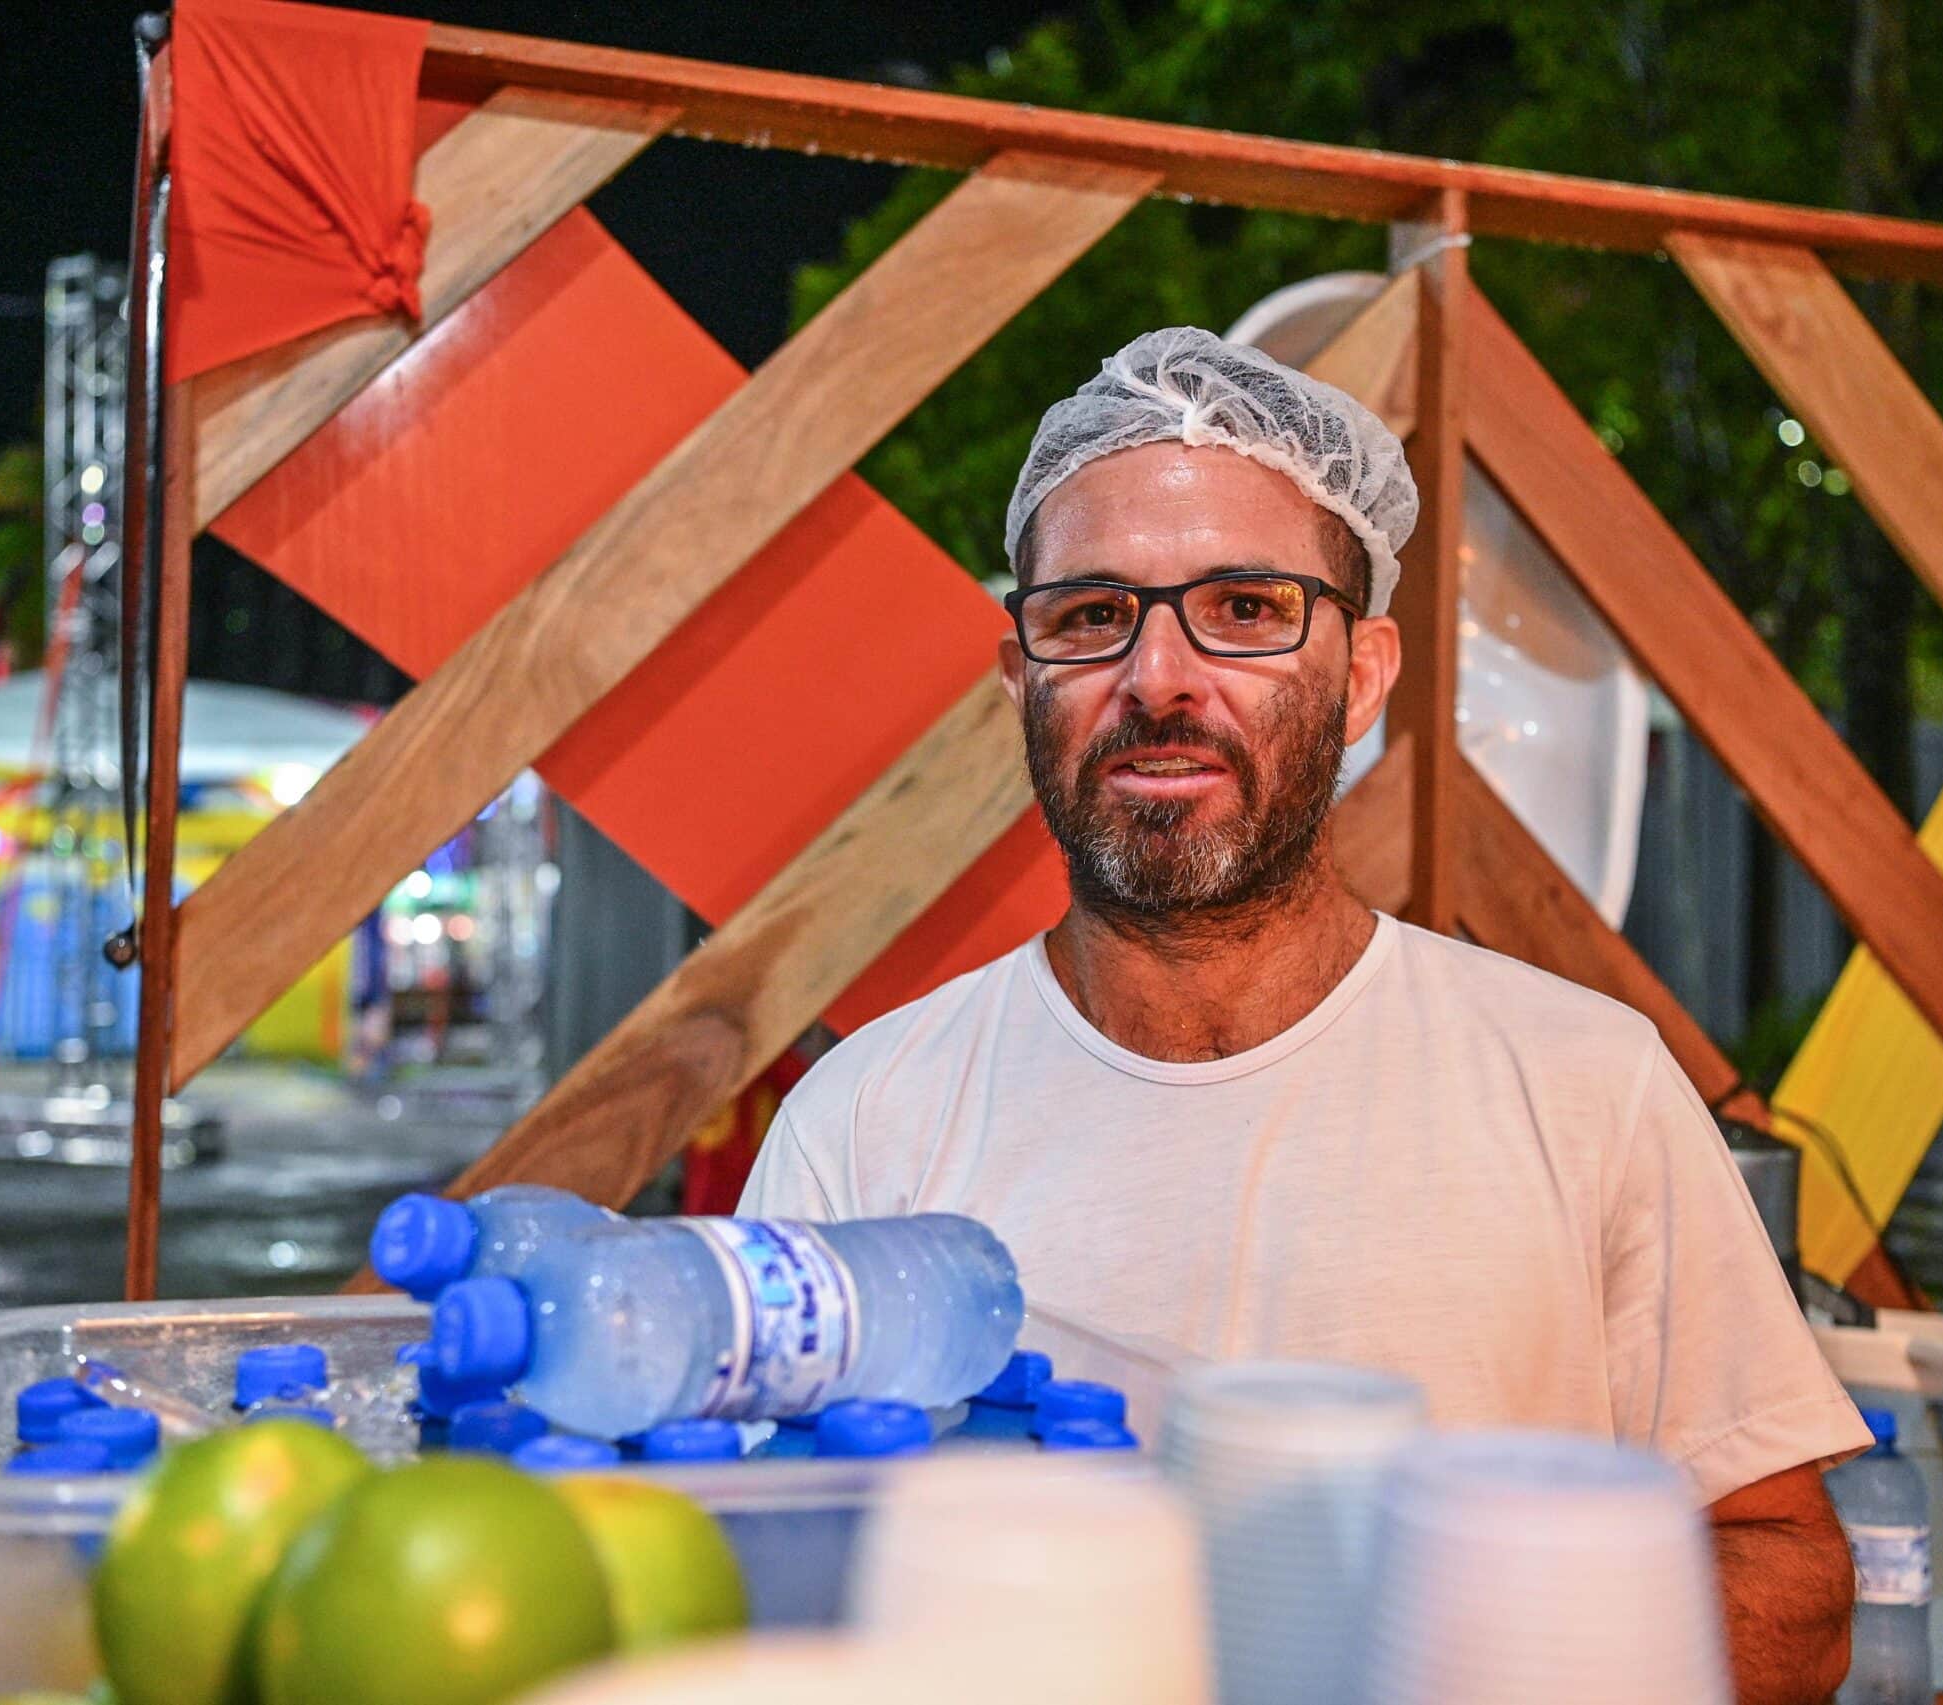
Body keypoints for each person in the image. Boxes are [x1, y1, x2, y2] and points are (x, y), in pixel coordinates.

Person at [739, 328, 1864, 1703]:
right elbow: (772, 1579)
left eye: (1248, 608)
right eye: (1091, 616)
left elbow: (1790, 1576)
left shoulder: (1583, 1086)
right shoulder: (868, 1121)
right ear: (1019, 681)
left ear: (1366, 674)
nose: (1159, 678)